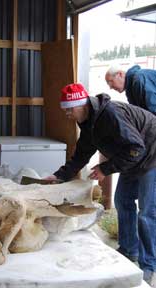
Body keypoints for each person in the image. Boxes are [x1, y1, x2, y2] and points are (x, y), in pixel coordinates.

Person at [46, 83, 156, 287]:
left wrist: (106, 168)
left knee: (146, 213)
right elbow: (81, 155)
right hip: (133, 157)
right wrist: (59, 176)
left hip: (151, 155)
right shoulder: (88, 123)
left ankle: (148, 264)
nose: (67, 114)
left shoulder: (110, 115)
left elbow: (136, 147)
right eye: (65, 110)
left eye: (70, 109)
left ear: (82, 104)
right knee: (122, 201)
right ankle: (128, 250)